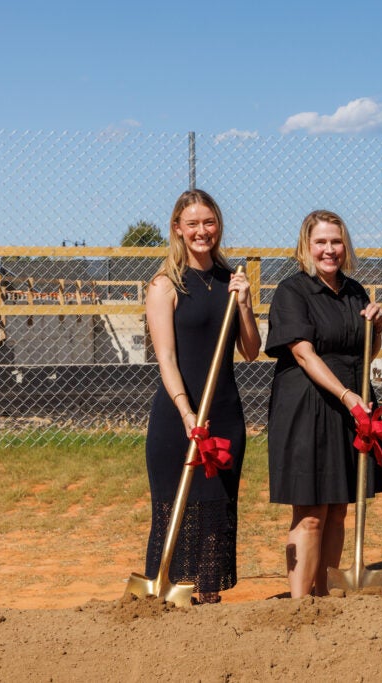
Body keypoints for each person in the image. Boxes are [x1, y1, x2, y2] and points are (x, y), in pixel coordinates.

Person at [266, 209, 382, 598]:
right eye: (320, 242)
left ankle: (327, 597)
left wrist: (377, 327)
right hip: (307, 406)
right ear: (306, 246)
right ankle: (300, 602)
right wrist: (346, 395)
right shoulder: (292, 291)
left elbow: (364, 355)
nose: (329, 250)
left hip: (348, 407)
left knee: (339, 507)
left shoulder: (356, 292)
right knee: (310, 514)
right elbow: (303, 354)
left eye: (336, 241)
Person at [144, 189, 262, 605]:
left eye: (208, 222)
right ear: (177, 228)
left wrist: (245, 304)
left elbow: (251, 350)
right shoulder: (165, 286)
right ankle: (166, 596)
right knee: (175, 511)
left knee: (216, 511)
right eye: (192, 223)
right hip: (180, 416)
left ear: (218, 226)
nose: (201, 231)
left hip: (225, 413)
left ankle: (209, 599)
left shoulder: (230, 281)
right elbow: (167, 358)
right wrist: (186, 412)